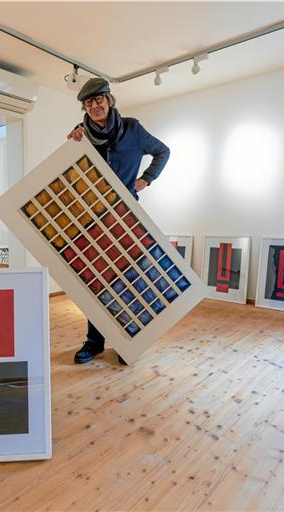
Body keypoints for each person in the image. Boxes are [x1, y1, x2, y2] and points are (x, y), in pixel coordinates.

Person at [66, 77, 170, 364]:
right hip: (92, 218)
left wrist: (145, 180)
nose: (94, 106)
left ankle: (128, 341)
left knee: (129, 277)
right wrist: (71, 144)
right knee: (95, 280)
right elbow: (71, 170)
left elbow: (163, 151)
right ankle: (94, 342)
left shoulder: (133, 129)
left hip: (125, 216)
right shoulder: (81, 134)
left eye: (98, 99)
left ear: (109, 100)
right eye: (88, 103)